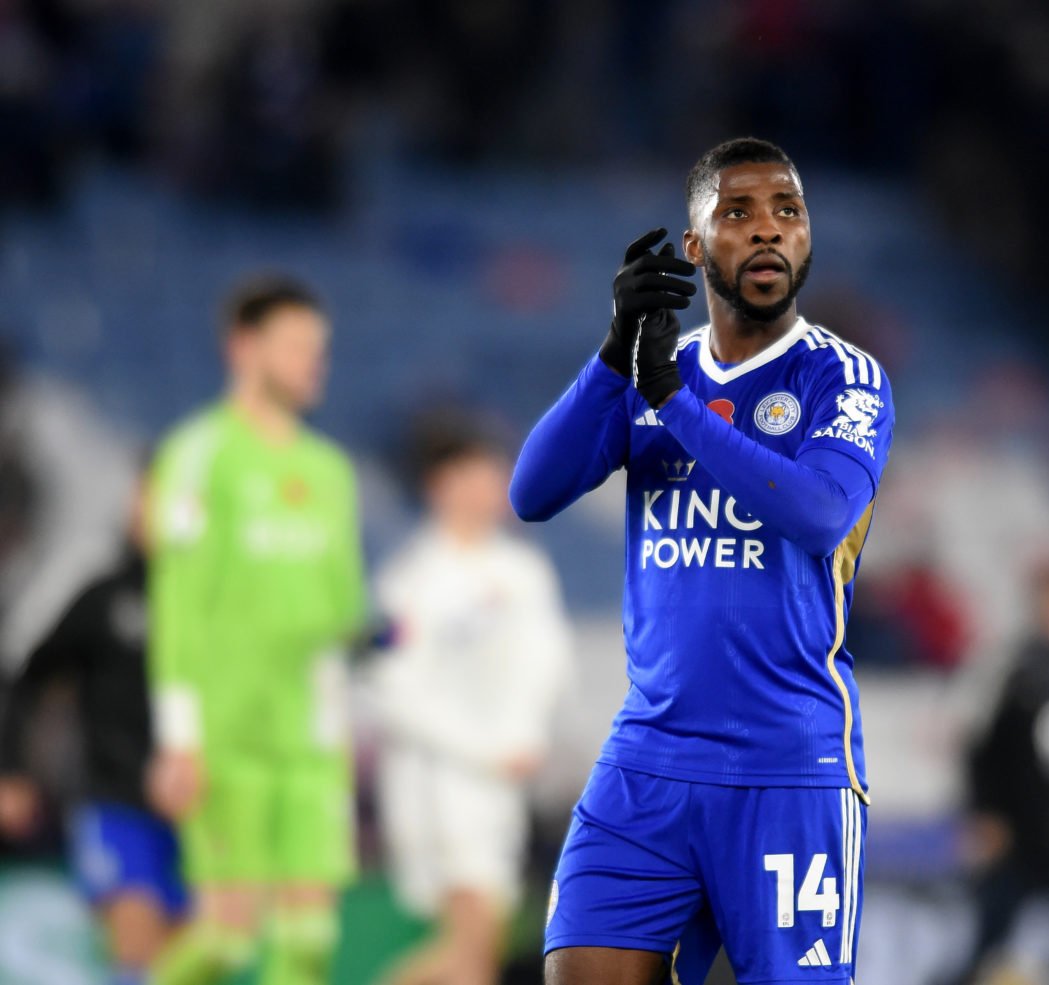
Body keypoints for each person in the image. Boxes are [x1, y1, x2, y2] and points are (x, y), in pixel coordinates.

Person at [511, 137, 895, 985]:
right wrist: (615, 355)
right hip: (647, 756)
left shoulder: (844, 379)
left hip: (788, 765)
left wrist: (673, 406)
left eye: (787, 212)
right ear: (694, 246)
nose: (767, 230)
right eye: (738, 212)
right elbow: (531, 491)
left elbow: (819, 511)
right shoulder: (657, 368)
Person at [145, 275, 367, 985]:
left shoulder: (331, 471)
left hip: (309, 741)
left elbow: (343, 617)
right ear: (244, 347)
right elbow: (176, 599)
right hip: (225, 738)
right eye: (298, 345)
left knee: (309, 938)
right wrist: (179, 736)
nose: (314, 362)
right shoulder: (200, 455)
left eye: (320, 348)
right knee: (225, 942)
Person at [371, 427, 572, 985]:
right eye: (482, 475)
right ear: (442, 485)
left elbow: (546, 662)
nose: (495, 489)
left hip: (502, 788)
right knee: (471, 950)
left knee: (474, 957)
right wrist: (486, 749)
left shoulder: (523, 572)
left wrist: (524, 737)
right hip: (438, 784)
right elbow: (394, 692)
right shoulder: (409, 580)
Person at [0, 469, 185, 985]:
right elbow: (24, 677)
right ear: (135, 502)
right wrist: (11, 768)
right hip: (112, 800)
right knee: (136, 946)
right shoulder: (101, 596)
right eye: (154, 496)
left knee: (184, 965)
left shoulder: (212, 604)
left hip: (194, 809)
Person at [954, 561, 1049, 985]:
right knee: (988, 949)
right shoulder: (1023, 671)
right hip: (1021, 833)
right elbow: (984, 746)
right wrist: (987, 814)